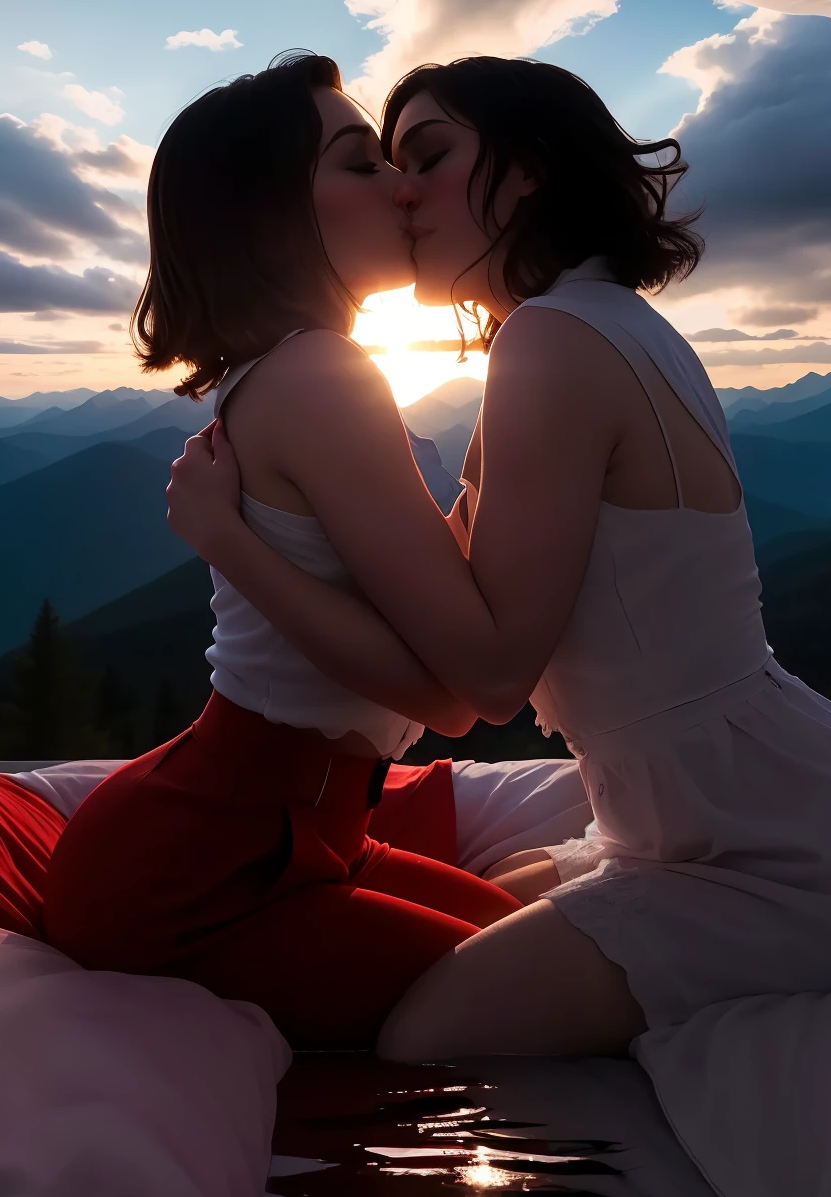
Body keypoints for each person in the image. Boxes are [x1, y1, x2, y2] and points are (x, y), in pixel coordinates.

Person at [167, 56, 831, 1060]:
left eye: (427, 155)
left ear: (530, 168)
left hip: (793, 856)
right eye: (385, 162)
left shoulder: (549, 341)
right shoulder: (600, 322)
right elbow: (453, 594)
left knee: (423, 1032)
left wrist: (230, 540)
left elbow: (491, 672)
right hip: (750, 812)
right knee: (465, 930)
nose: (405, 188)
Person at [40, 53, 520, 1047]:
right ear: (269, 213)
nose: (400, 184)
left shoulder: (286, 370)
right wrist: (224, 540)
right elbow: (445, 696)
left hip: (278, 832)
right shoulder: (321, 374)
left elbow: (437, 599)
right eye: (357, 163)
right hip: (205, 871)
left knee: (543, 940)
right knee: (571, 983)